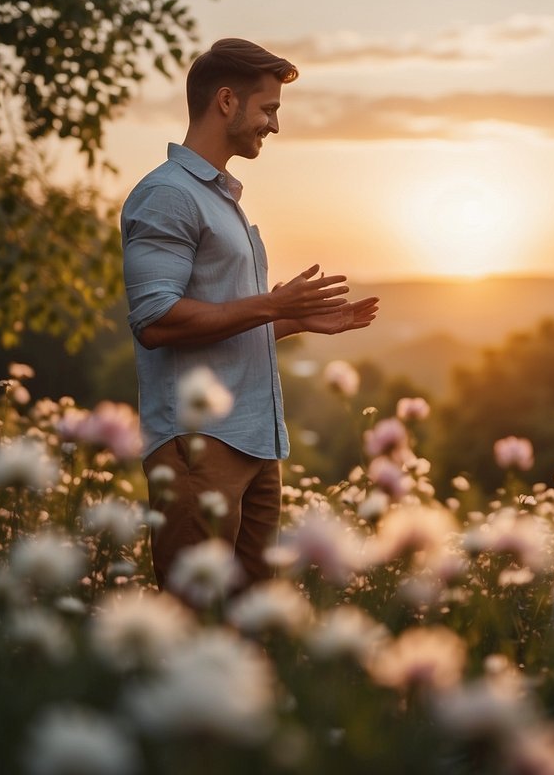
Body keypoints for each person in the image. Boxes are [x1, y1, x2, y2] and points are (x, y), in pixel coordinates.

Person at [121, 38, 379, 593]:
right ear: (225, 102)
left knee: (248, 622)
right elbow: (157, 321)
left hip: (256, 444)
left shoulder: (220, 200)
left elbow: (224, 323)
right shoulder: (167, 196)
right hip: (198, 445)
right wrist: (272, 304)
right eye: (269, 109)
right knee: (193, 618)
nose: (274, 126)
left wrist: (295, 321)